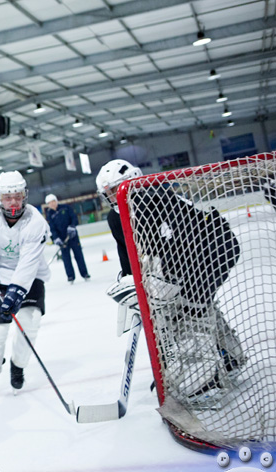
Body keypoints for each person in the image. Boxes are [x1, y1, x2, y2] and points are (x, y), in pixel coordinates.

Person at [96, 159, 245, 404]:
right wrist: (130, 282)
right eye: (108, 194)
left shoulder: (156, 198)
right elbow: (129, 255)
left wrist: (163, 280)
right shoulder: (116, 217)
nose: (113, 198)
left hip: (213, 250)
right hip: (189, 260)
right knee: (188, 305)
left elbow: (186, 245)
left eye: (116, 190)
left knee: (188, 312)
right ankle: (229, 358)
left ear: (132, 183)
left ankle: (206, 380)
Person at [0, 171, 51, 394]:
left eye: (18, 195)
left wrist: (17, 291)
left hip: (30, 277)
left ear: (25, 195)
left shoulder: (36, 222)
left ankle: (18, 366)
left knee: (29, 322)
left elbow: (28, 261)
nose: (13, 201)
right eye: (7, 197)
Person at [44, 194, 90, 284]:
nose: (52, 204)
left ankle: (84, 274)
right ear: (48, 204)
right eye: (50, 203)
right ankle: (70, 276)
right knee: (66, 259)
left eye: (53, 201)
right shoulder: (49, 214)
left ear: (56, 201)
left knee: (79, 255)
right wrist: (56, 239)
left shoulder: (65, 208)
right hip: (62, 241)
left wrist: (72, 227)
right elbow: (51, 228)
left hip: (72, 237)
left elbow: (74, 218)